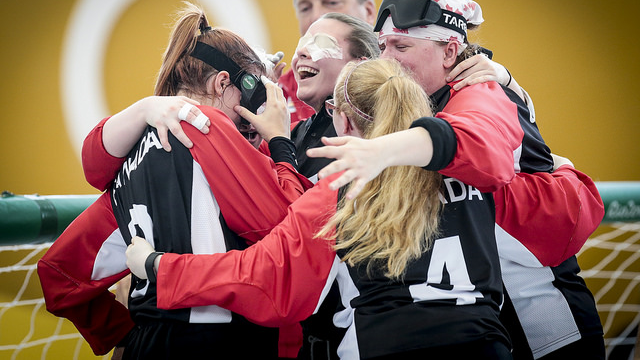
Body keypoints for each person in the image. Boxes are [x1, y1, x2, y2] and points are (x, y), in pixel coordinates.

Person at [126, 58, 515, 359]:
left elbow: (263, 278)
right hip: (485, 343)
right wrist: (508, 85)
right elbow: (552, 212)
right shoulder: (477, 168)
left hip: (382, 345)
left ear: (340, 120)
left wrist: (158, 266)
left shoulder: (338, 189)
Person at [309, 0, 606, 359]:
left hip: (545, 323)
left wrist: (382, 155)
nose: (385, 58)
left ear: (450, 52)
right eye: (382, 45)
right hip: (492, 323)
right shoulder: (439, 95)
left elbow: (486, 154)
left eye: (400, 47)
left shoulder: (478, 92)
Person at [38, 2, 313, 359]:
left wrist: (123, 335)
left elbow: (58, 277)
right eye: (253, 100)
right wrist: (279, 143)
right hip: (222, 343)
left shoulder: (129, 157)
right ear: (223, 82)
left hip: (149, 343)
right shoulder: (206, 126)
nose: (250, 119)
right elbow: (287, 230)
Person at [279, 0, 377, 124]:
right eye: (305, 8)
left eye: (332, 2)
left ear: (369, 12)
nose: (317, 16)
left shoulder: (406, 85)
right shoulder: (274, 95)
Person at [288, 12, 379, 180]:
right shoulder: (290, 132)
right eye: (303, 42)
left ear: (359, 65)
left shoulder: (374, 132)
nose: (301, 51)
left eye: (321, 43)